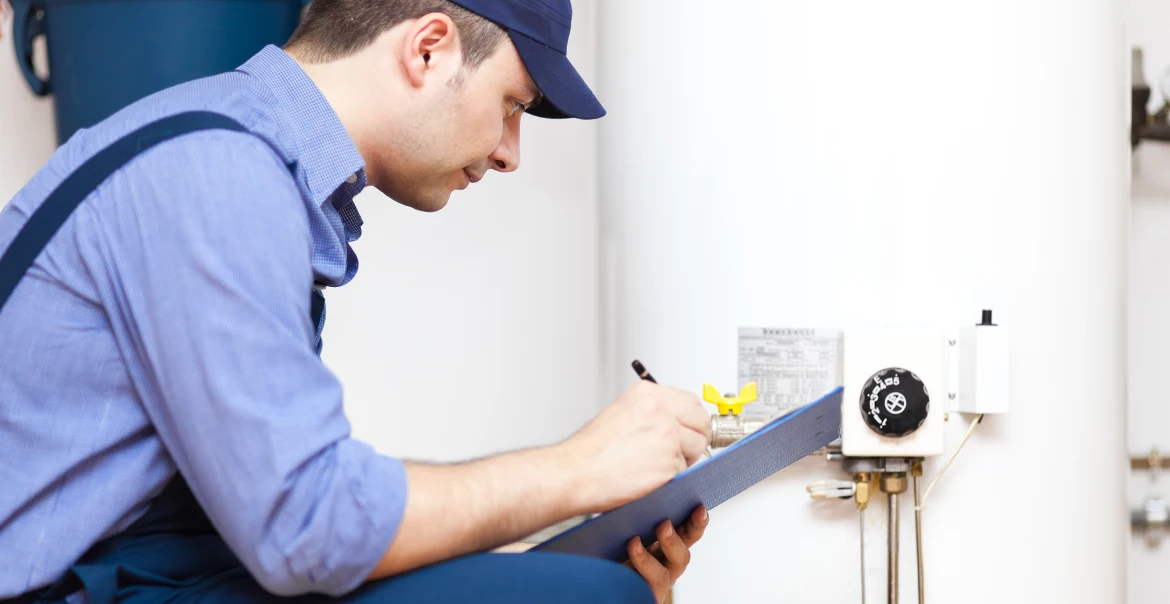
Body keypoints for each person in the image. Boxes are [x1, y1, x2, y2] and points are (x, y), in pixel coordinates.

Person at [0, 0, 713, 602]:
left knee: (584, 585)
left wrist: (551, 561)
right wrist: (581, 468)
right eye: (512, 106)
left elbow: (281, 510)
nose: (509, 152)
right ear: (428, 49)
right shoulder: (219, 173)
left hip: (153, 569)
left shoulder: (235, 148)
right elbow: (306, 526)